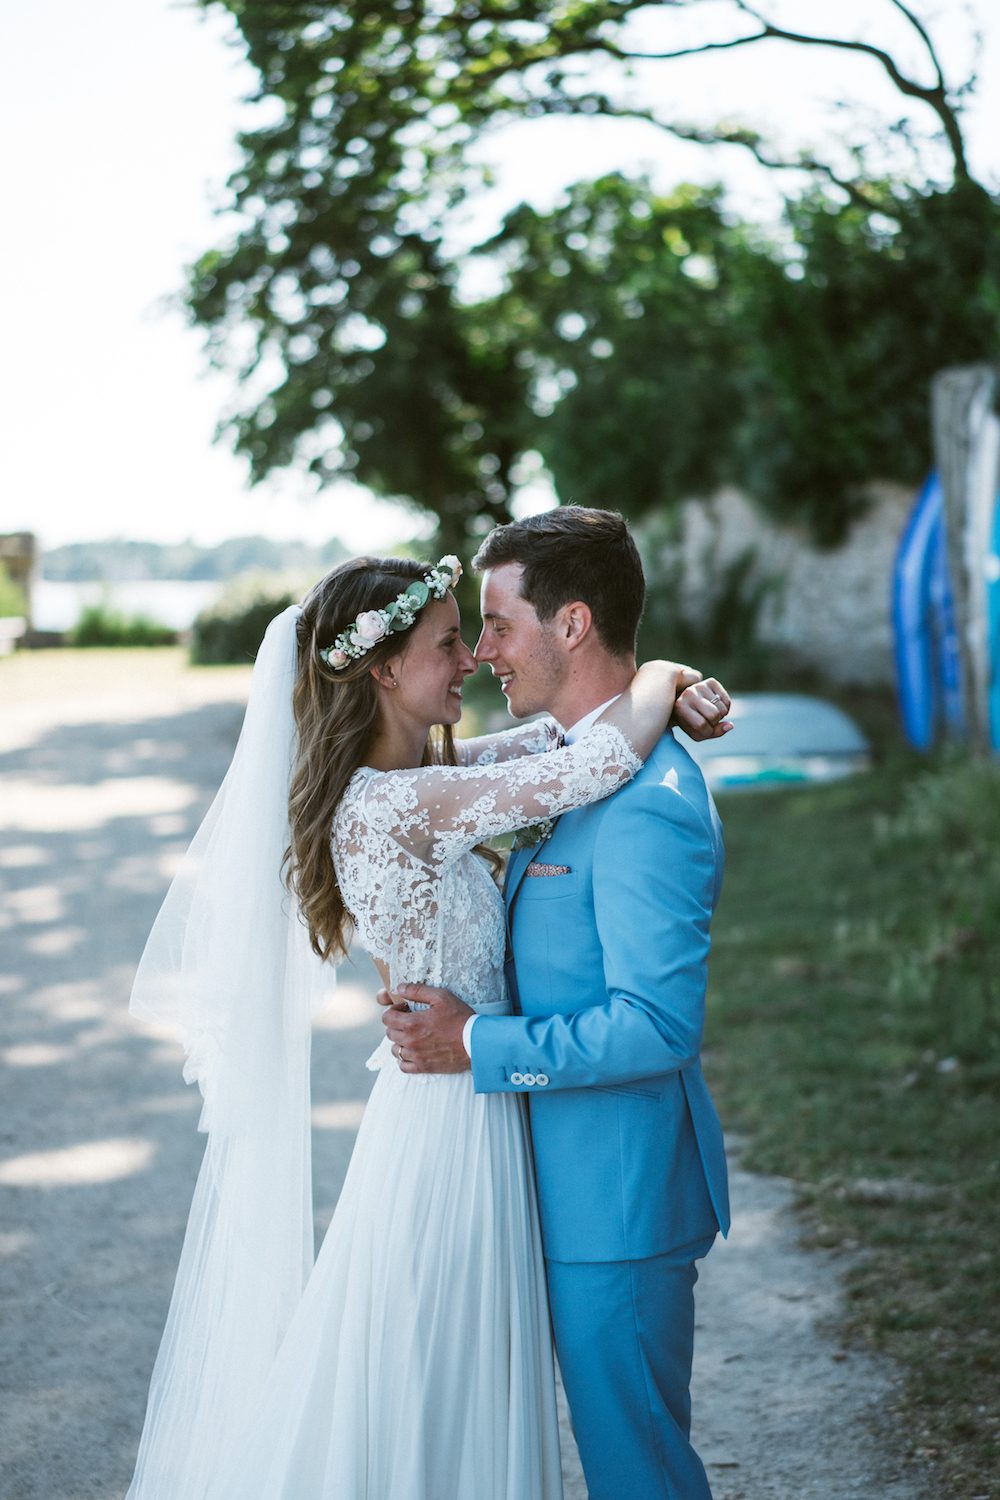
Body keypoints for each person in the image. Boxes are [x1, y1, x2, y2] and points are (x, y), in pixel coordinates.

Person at [124, 549, 731, 1500]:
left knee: (454, 1378)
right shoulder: (394, 805)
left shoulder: (435, 777)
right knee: (431, 1382)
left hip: (475, 1104)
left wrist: (670, 682)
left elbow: (563, 747)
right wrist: (661, 676)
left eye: (478, 635)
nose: (472, 660)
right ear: (382, 669)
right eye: (451, 642)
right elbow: (595, 763)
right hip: (449, 1121)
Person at [383, 508, 732, 1500]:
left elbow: (659, 1024)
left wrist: (475, 1044)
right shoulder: (572, 766)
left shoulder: (650, 804)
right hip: (544, 1188)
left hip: (614, 1202)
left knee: (636, 1470)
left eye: (497, 624)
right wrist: (665, 677)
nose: (482, 649)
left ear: (572, 624)